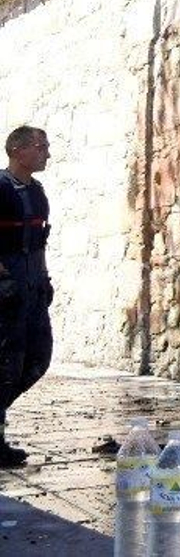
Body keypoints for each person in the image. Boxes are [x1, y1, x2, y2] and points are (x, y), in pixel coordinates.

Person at [0, 126, 52, 467]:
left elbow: (39, 241)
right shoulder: (1, 188)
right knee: (5, 366)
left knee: (38, 359)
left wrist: (44, 279)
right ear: (17, 150)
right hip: (6, 294)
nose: (47, 153)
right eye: (40, 146)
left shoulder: (37, 192)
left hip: (33, 290)